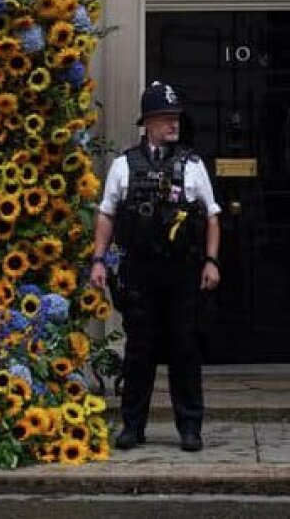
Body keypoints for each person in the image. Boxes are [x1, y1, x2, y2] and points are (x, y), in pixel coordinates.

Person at [89, 81, 221, 452]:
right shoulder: (123, 165)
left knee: (185, 349)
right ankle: (132, 426)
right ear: (146, 122)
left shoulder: (193, 165)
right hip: (139, 272)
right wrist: (99, 260)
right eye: (164, 118)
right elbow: (107, 214)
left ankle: (190, 428)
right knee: (139, 352)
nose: (172, 125)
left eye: (175, 118)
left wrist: (211, 262)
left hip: (182, 272)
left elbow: (211, 217)